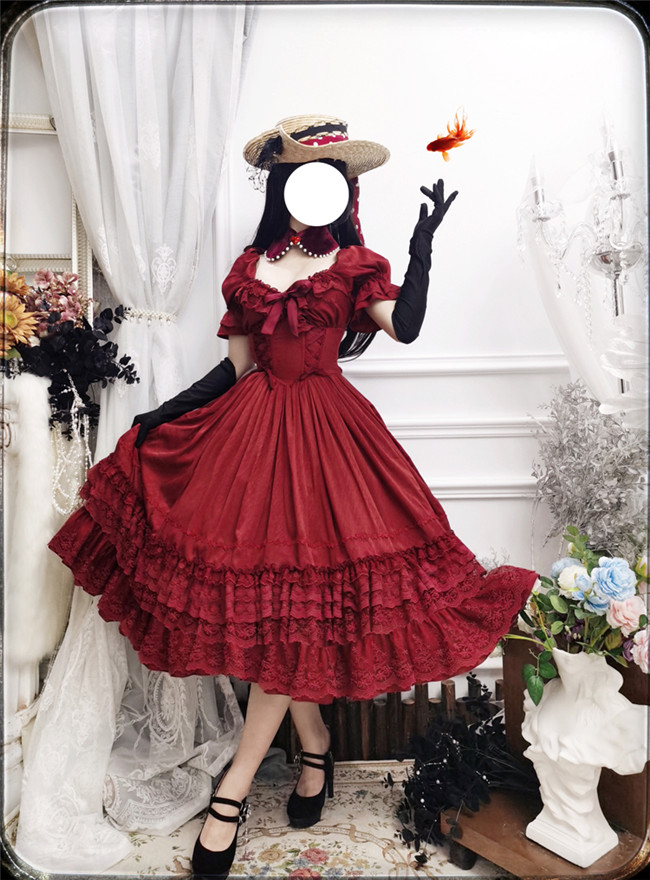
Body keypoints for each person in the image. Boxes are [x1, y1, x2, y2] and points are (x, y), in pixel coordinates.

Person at [49, 114, 538, 877]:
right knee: (275, 615)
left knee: (292, 617)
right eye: (310, 174)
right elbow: (236, 370)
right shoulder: (251, 267)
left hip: (331, 442)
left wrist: (421, 247)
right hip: (252, 441)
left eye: (334, 176)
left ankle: (233, 792)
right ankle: (314, 743)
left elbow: (405, 327)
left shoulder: (354, 263)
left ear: (342, 188)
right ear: (284, 184)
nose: (323, 187)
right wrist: (162, 417)